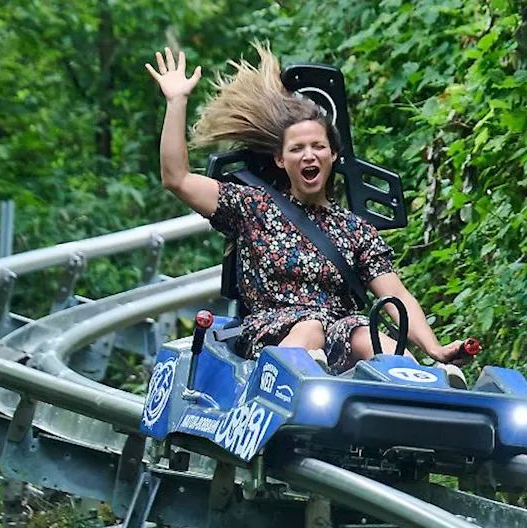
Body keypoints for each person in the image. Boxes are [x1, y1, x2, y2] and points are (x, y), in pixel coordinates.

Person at [145, 44, 469, 380]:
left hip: (341, 334)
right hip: (275, 334)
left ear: (332, 155)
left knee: (366, 335)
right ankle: (299, 382)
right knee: (311, 327)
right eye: (297, 149)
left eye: (318, 146)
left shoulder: (353, 230)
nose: (309, 156)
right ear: (281, 160)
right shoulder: (253, 207)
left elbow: (395, 294)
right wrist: (176, 101)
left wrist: (434, 348)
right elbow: (177, 178)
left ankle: (423, 385)